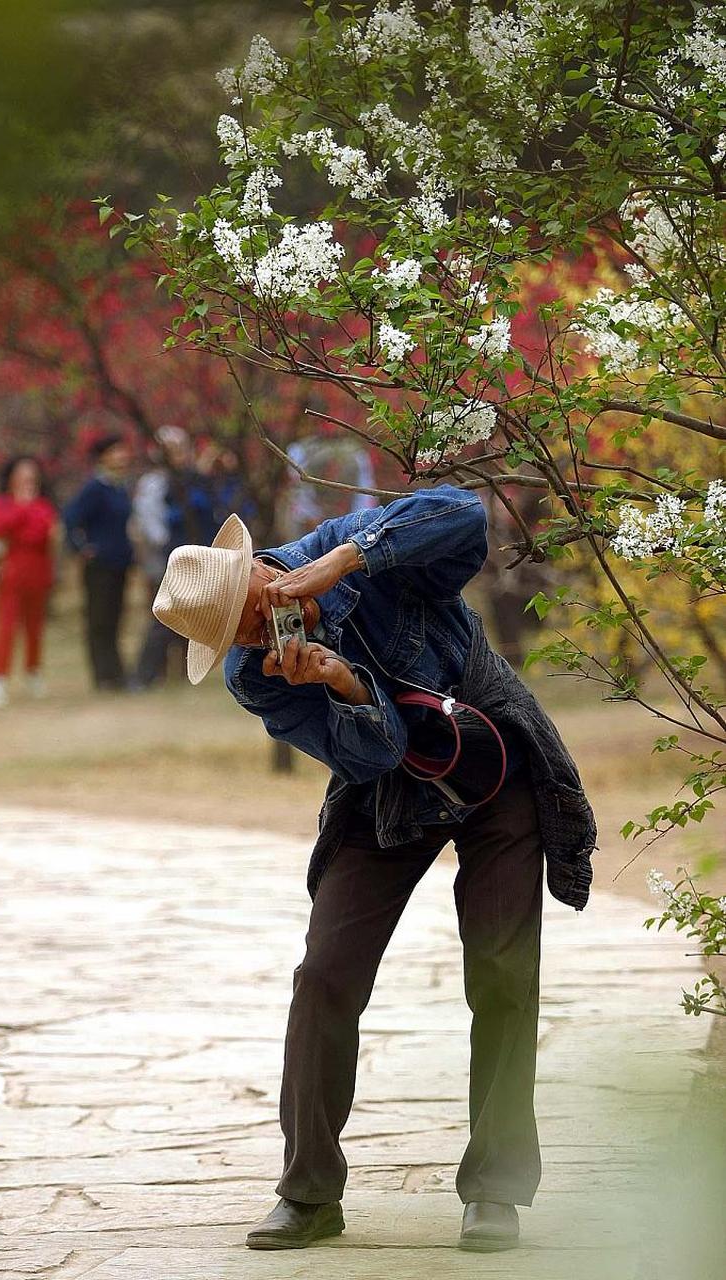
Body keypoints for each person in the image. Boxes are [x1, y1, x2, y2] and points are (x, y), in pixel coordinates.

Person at [151, 485, 597, 1253]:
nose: (259, 631)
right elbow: (371, 754)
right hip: (386, 793)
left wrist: (343, 562)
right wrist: (340, 684)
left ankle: (494, 1191)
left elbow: (464, 517)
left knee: (499, 968)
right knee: (324, 973)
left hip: (494, 759)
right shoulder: (255, 676)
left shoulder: (345, 549)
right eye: (238, 636)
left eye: (253, 610)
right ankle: (308, 1193)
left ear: (258, 569)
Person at [131, 425, 216, 688]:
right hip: (172, 558)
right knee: (164, 616)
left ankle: (183, 673)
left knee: (192, 617)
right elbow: (152, 523)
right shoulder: (159, 482)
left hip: (199, 555)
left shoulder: (193, 478)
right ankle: (143, 676)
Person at [64, 434, 133, 691]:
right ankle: (103, 676)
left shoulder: (120, 487)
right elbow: (71, 518)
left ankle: (117, 673)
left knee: (115, 619)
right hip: (100, 566)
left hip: (120, 563)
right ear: (104, 456)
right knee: (99, 620)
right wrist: (82, 548)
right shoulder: (95, 487)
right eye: (116, 450)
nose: (122, 455)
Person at [0, 456, 58, 709]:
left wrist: (24, 518)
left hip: (38, 572)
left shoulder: (44, 505)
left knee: (34, 628)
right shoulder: (1, 503)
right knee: (6, 627)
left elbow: (41, 534)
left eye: (32, 472)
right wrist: (22, 508)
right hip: (12, 573)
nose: (28, 477)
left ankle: (33, 671)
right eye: (23, 472)